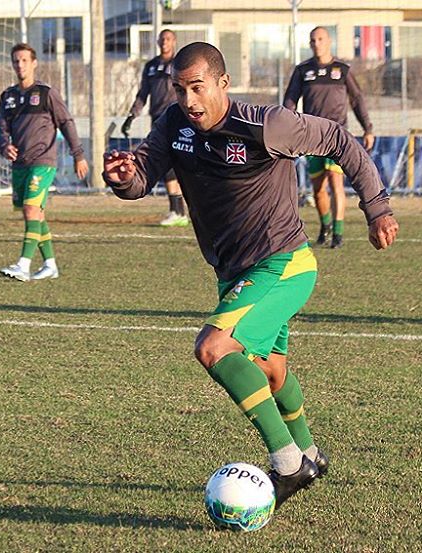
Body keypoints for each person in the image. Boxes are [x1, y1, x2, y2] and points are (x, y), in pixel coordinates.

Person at [104, 43, 398, 509]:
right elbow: (141, 180)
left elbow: (340, 140)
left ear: (222, 83)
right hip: (235, 272)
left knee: (213, 348)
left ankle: (287, 463)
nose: (189, 100)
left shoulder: (266, 125)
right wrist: (124, 176)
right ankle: (310, 455)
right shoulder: (173, 124)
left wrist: (377, 208)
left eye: (197, 88)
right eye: (180, 90)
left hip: (283, 264)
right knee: (272, 372)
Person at [0, 42, 88, 282]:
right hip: (20, 164)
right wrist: (5, 145)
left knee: (31, 209)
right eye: (16, 60)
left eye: (25, 60)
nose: (20, 64)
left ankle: (24, 265)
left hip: (43, 161)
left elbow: (66, 122)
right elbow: (2, 128)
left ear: (34, 63)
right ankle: (50, 265)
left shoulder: (46, 94)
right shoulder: (8, 97)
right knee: (35, 214)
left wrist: (78, 154)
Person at [284, 26, 375, 249]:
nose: (317, 43)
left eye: (321, 39)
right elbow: (290, 100)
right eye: (313, 40)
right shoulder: (303, 70)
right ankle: (325, 227)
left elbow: (357, 100)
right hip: (312, 136)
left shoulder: (342, 70)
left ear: (329, 42)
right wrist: (286, 126)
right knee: (317, 188)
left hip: (338, 135)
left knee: (336, 183)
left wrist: (368, 128)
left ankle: (338, 234)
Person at [121, 29, 189, 228]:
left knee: (179, 163)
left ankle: (181, 211)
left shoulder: (179, 64)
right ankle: (177, 211)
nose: (164, 42)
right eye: (162, 39)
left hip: (178, 118)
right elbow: (143, 94)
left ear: (174, 41)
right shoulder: (151, 66)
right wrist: (131, 116)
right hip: (158, 121)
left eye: (168, 39)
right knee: (166, 164)